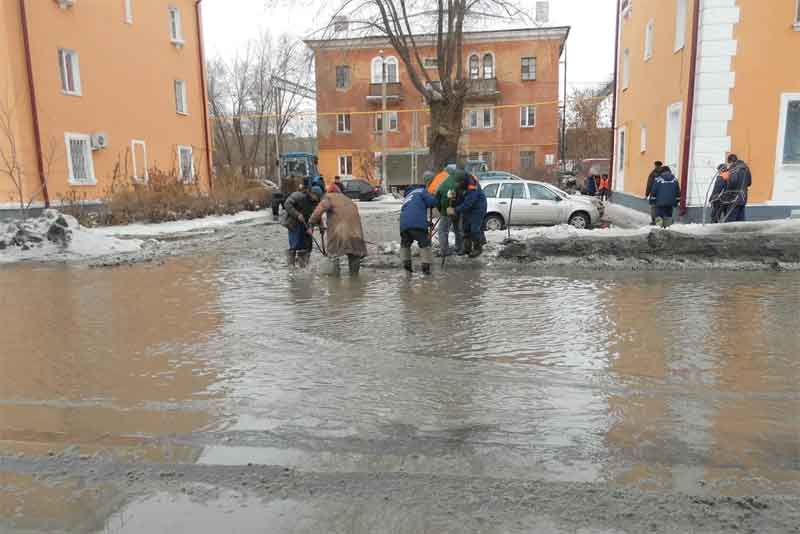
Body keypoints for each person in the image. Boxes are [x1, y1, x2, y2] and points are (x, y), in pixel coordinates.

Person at [308, 188, 367, 276]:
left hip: (339, 232)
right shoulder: (348, 199)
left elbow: (317, 213)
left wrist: (311, 222)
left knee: (333, 255)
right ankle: (355, 279)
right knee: (354, 256)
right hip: (356, 232)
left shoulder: (328, 198)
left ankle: (335, 280)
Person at [399, 184, 438, 274]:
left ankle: (407, 266)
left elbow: (412, 212)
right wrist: (435, 196)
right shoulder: (421, 191)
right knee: (425, 244)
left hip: (404, 225)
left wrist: (426, 223)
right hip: (417, 224)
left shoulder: (408, 196)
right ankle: (426, 268)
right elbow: (432, 202)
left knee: (405, 244)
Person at [283, 186, 322, 267]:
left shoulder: (316, 203)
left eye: (318, 197)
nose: (316, 199)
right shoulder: (299, 196)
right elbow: (287, 204)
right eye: (316, 196)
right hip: (293, 223)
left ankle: (303, 265)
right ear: (311, 193)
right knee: (295, 245)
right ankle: (291, 265)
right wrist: (297, 215)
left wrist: (311, 228)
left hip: (306, 224)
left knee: (307, 246)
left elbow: (314, 217)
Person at [453, 170, 487, 258]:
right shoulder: (462, 184)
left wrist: (455, 210)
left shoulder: (473, 186)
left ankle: (477, 248)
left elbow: (468, 203)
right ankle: (467, 248)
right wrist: (453, 198)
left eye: (459, 182)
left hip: (478, 208)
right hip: (468, 208)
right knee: (466, 228)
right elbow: (460, 197)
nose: (457, 184)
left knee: (474, 229)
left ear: (463, 181)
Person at [434, 168, 464, 257]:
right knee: (458, 230)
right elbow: (462, 197)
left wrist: (442, 211)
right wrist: (458, 209)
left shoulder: (443, 183)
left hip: (446, 211)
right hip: (457, 210)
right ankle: (460, 248)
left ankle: (444, 250)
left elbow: (437, 198)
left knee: (442, 231)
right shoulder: (459, 182)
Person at [724, 154, 752, 222]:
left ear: (730, 162)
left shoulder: (734, 168)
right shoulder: (746, 168)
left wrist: (727, 189)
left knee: (730, 218)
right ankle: (741, 232)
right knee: (741, 217)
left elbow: (733, 181)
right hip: (744, 196)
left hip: (734, 197)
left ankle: (729, 232)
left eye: (728, 163)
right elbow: (749, 183)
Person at [645, 161, 664, 225]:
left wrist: (647, 194)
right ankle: (659, 221)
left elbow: (649, 184)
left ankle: (654, 221)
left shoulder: (652, 174)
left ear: (655, 165)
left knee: (654, 207)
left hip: (654, 193)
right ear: (661, 166)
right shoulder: (665, 173)